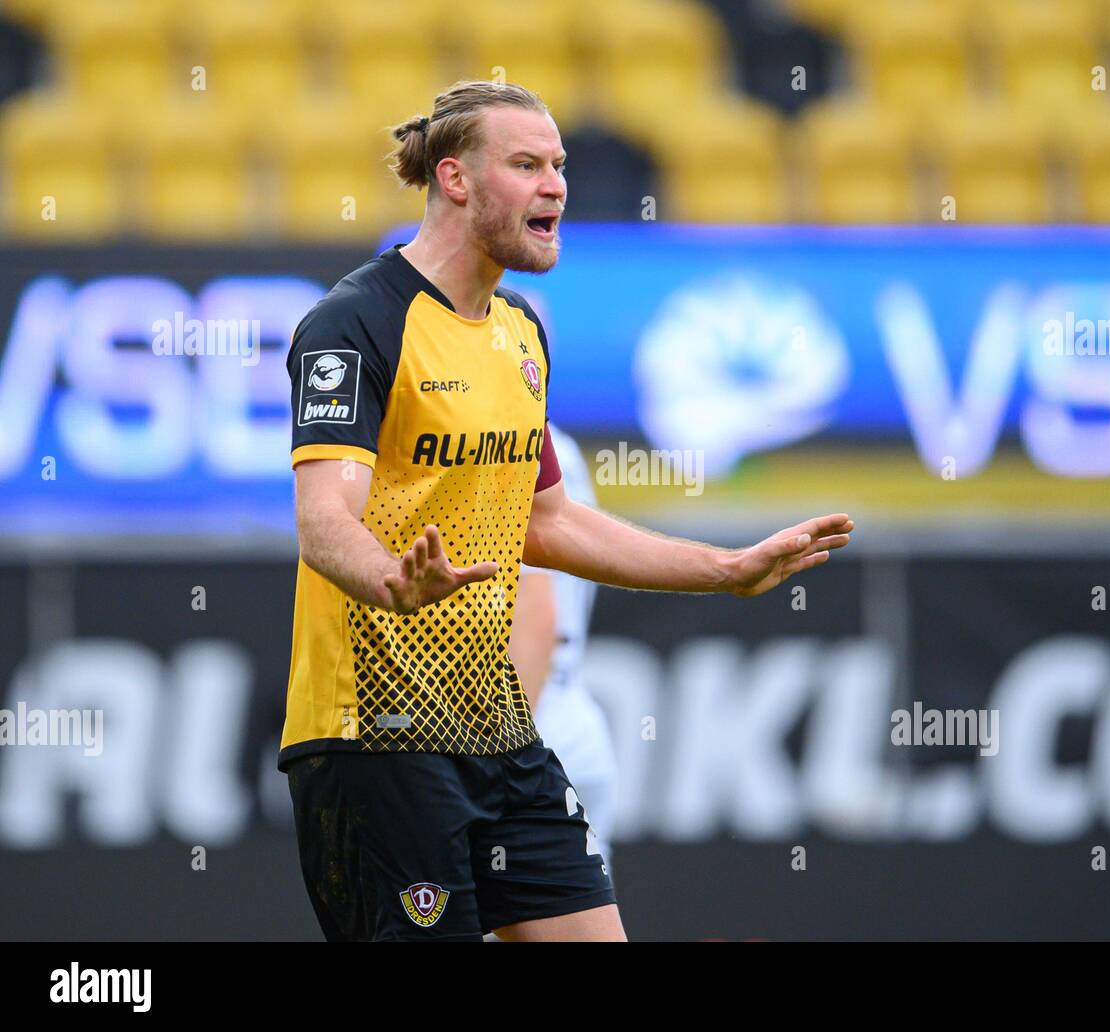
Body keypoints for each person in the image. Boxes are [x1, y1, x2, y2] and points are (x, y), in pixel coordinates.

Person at [279, 79, 854, 942]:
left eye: (558, 165)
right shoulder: (356, 323)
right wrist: (391, 579)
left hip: (500, 730)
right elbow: (325, 519)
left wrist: (725, 571)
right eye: (526, 165)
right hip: (377, 735)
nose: (556, 185)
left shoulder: (519, 332)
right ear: (456, 179)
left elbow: (548, 522)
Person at [510, 425, 616, 867]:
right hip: (566, 719)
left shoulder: (496, 436)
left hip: (525, 728)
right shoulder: (558, 445)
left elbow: (535, 617)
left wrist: (505, 760)